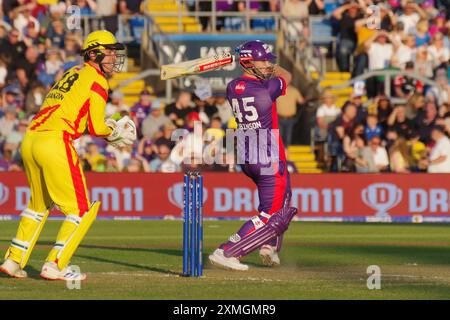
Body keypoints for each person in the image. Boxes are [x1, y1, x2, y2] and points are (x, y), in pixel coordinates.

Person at [0, 30, 136, 281]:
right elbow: (96, 127)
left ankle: (13, 260)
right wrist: (114, 131)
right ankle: (55, 264)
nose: (114, 57)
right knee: (82, 210)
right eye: (109, 52)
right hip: (55, 141)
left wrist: (105, 127)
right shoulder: (97, 80)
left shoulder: (72, 72)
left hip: (31, 138)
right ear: (94, 53)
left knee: (38, 206)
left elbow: (76, 115)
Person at [209, 40, 297, 271]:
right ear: (248, 62)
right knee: (272, 215)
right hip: (267, 157)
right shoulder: (267, 89)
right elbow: (287, 75)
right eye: (264, 61)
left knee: (285, 197)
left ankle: (268, 246)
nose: (269, 66)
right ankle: (227, 251)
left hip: (247, 154)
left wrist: (249, 60)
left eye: (269, 62)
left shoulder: (231, 86)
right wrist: (263, 65)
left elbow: (248, 79)